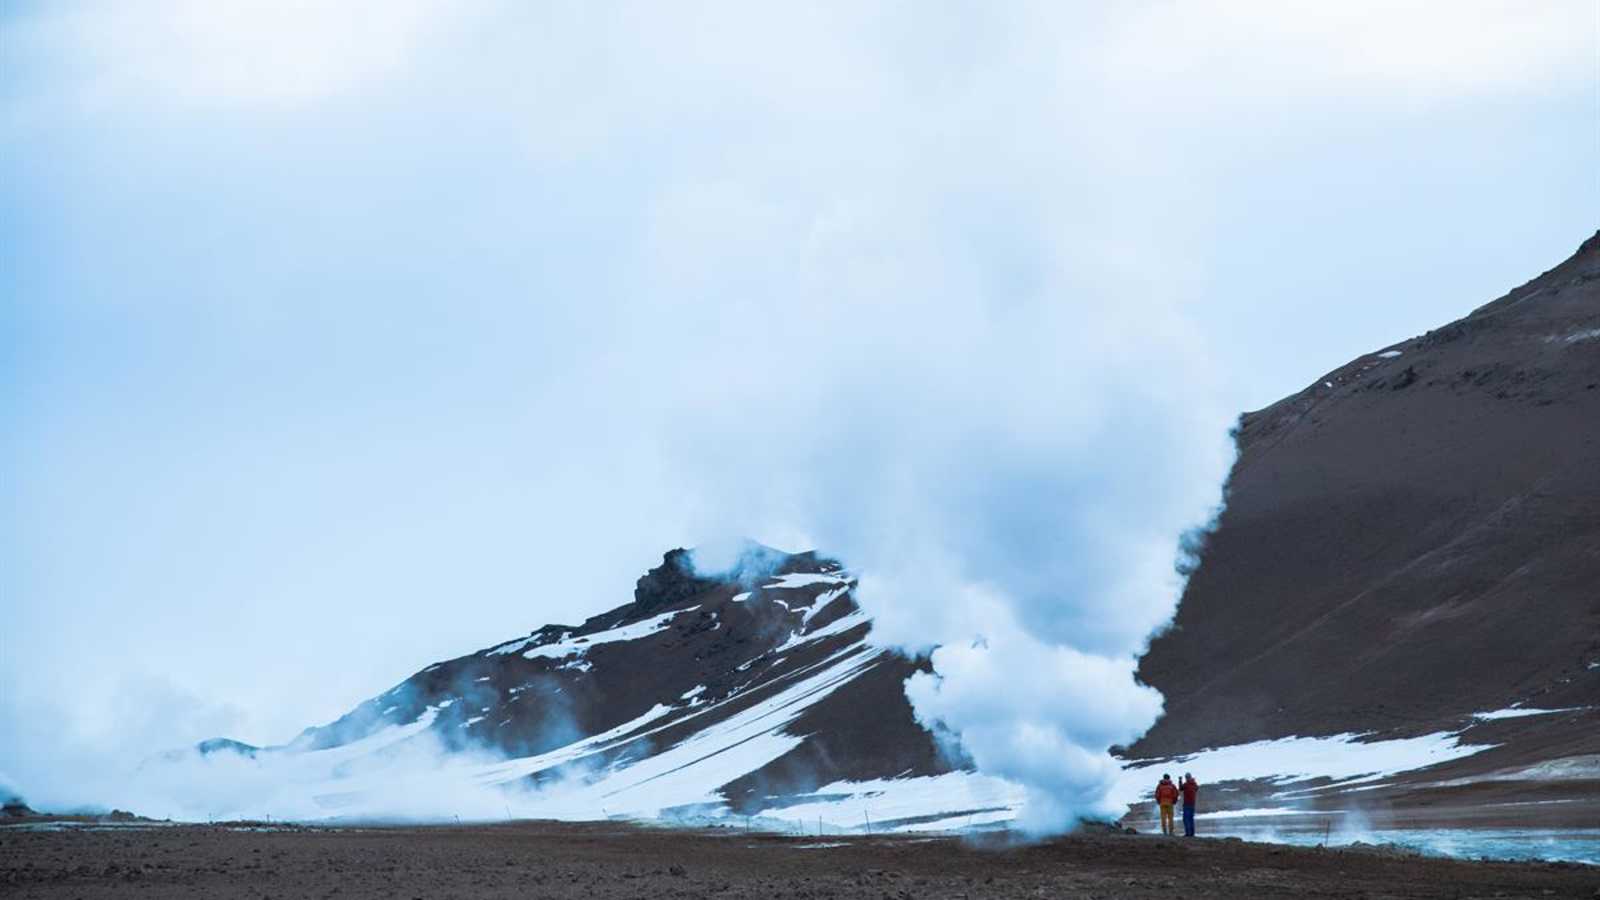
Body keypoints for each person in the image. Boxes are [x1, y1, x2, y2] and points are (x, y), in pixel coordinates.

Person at [1180, 773, 1199, 837]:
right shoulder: (1194, 784)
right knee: (1191, 819)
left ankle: (1188, 833)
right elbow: (1197, 788)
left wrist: (1180, 781)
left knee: (1186, 819)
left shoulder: (1186, 784)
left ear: (1186, 778)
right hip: (1192, 804)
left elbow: (1180, 788)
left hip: (1187, 804)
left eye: (1186, 777)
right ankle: (1192, 833)